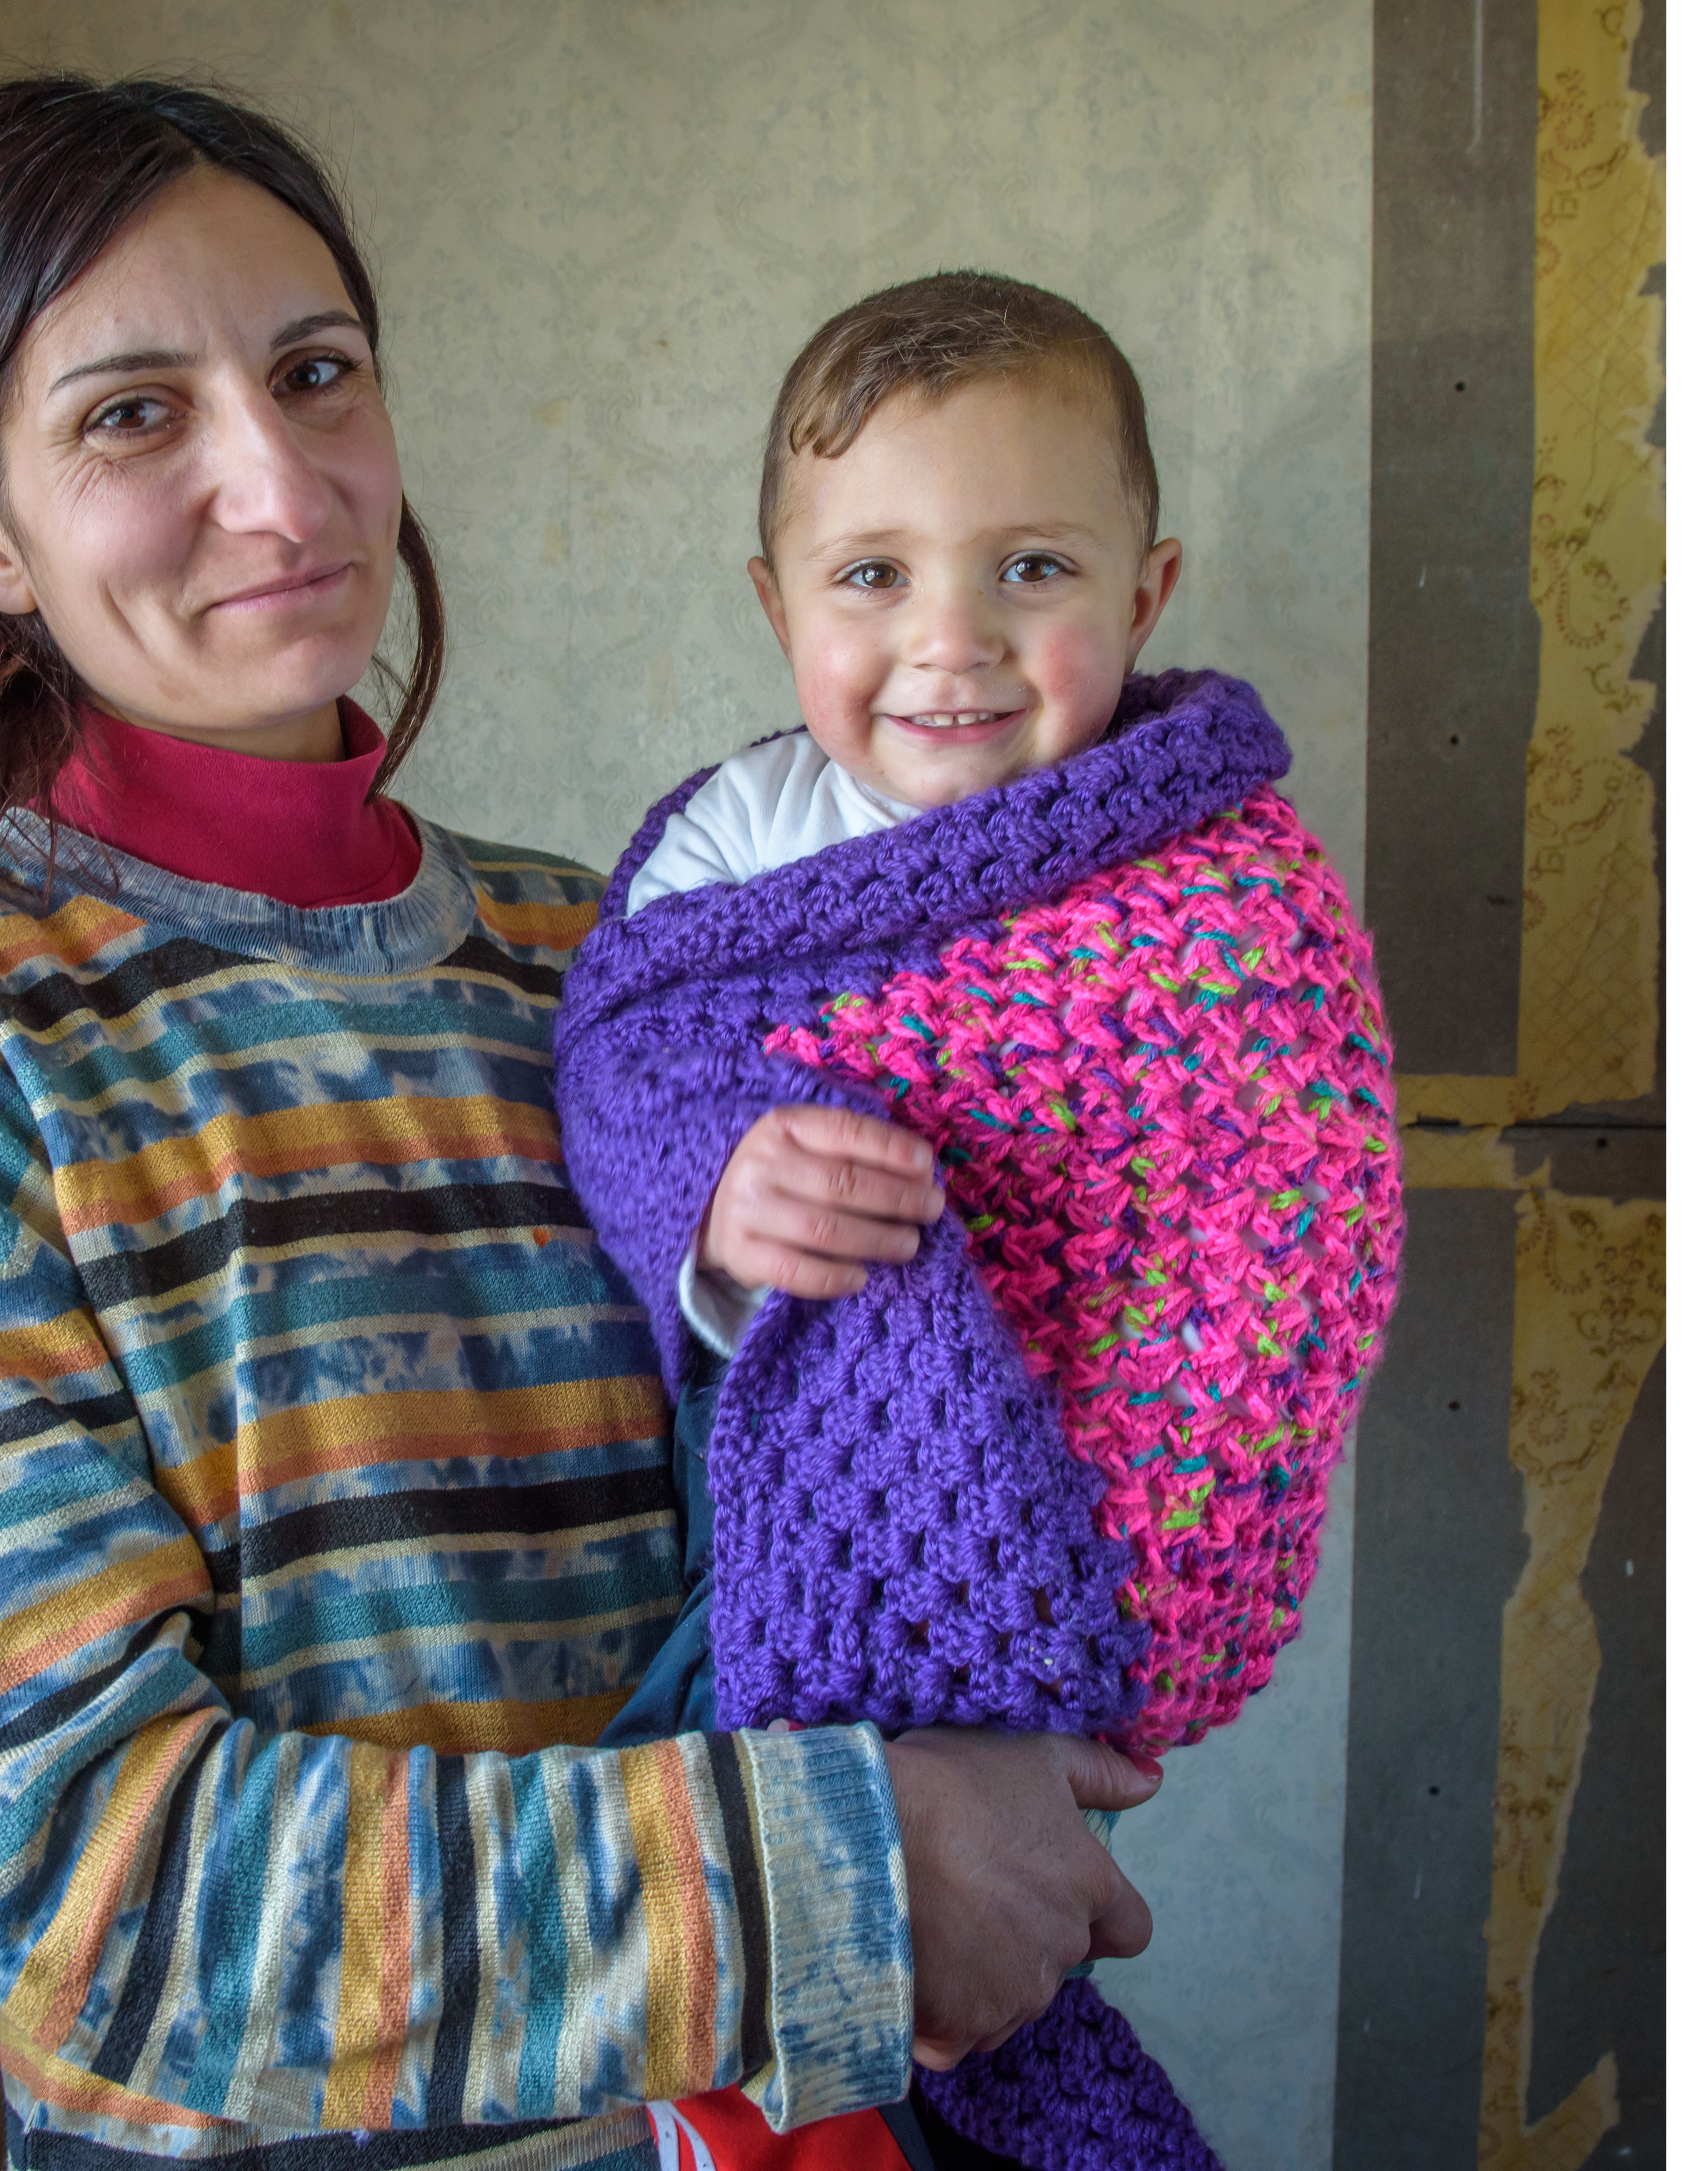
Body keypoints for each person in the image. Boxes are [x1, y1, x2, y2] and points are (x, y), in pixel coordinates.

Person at [0, 80, 1168, 2171]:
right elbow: (109, 1903)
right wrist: (861, 1867)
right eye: (136, 417)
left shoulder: (617, 957)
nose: (284, 483)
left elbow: (861, 1476)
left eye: (318, 375)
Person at [554, 275, 1403, 2163]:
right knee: (742, 1933)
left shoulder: (1217, 890)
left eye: (1031, 567)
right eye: (870, 578)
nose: (950, 645)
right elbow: (619, 1062)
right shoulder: (734, 835)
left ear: (1147, 592)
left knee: (959, 1974)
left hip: (1053, 1565)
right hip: (756, 1514)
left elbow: (1280, 1260)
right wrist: (708, 1191)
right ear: (774, 603)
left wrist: (1101, 1649)